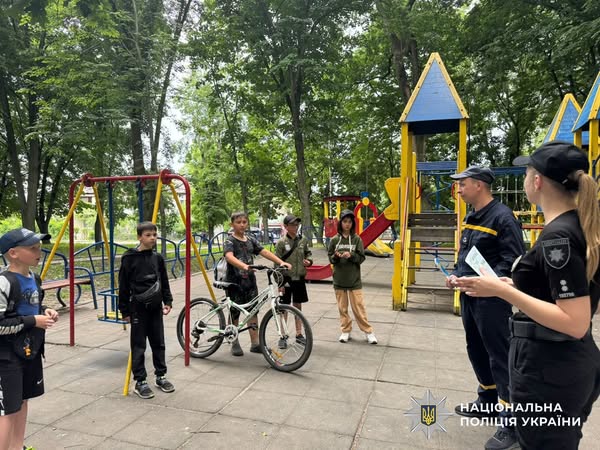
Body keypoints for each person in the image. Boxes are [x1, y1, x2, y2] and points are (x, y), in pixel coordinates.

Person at [455, 141, 600, 450]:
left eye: (526, 173)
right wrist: (513, 284)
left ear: (537, 181)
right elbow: (554, 292)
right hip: (556, 365)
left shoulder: (558, 237)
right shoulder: (573, 226)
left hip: (551, 369)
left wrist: (501, 290)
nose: (524, 181)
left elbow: (575, 322)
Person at [447, 165, 525, 450]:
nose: (458, 189)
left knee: (500, 356)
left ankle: (512, 424)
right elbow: (466, 253)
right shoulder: (472, 216)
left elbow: (515, 260)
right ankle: (488, 400)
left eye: (462, 183)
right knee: (476, 349)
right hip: (469, 295)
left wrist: (491, 282)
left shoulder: (503, 217)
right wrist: (456, 274)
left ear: (479, 185)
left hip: (492, 299)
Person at [0, 228, 59, 450]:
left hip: (29, 351)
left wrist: (45, 311)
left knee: (22, 400)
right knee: (7, 409)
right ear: (13, 253)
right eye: (33, 248)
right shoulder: (4, 282)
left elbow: (30, 306)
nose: (39, 252)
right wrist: (34, 321)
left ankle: (17, 446)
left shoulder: (34, 278)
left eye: (39, 247)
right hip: (6, 357)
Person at [118, 221, 175, 399]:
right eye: (148, 235)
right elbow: (123, 286)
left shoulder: (157, 258)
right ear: (139, 237)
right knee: (139, 345)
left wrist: (168, 300)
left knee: (158, 342)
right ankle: (140, 381)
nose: (152, 238)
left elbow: (163, 280)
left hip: (155, 307)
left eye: (154, 235)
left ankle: (161, 376)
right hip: (137, 309)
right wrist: (124, 311)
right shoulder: (129, 258)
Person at [223, 211, 292, 356]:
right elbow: (229, 256)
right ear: (232, 224)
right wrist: (244, 266)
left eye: (244, 222)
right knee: (235, 312)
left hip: (250, 282)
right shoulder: (230, 241)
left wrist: (280, 262)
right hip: (234, 282)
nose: (242, 225)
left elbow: (263, 251)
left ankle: (255, 343)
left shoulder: (250, 239)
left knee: (253, 311)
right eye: (238, 222)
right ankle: (234, 341)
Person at [327, 209, 377, 344]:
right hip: (339, 280)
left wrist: (351, 255)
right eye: (345, 221)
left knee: (359, 308)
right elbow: (330, 258)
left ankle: (368, 332)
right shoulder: (334, 240)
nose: (347, 224)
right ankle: (345, 331)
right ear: (340, 223)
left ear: (352, 223)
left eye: (349, 222)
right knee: (342, 309)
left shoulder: (357, 239)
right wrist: (336, 257)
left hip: (354, 281)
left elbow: (361, 258)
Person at [274, 214, 313, 348]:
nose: (295, 227)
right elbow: (276, 264)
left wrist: (309, 261)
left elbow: (308, 253)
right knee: (283, 308)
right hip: (286, 279)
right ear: (286, 226)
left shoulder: (303, 240)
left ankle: (299, 334)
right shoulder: (281, 243)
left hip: (299, 278)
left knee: (298, 306)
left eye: (297, 224)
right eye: (292, 225)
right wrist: (280, 283)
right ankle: (283, 335)